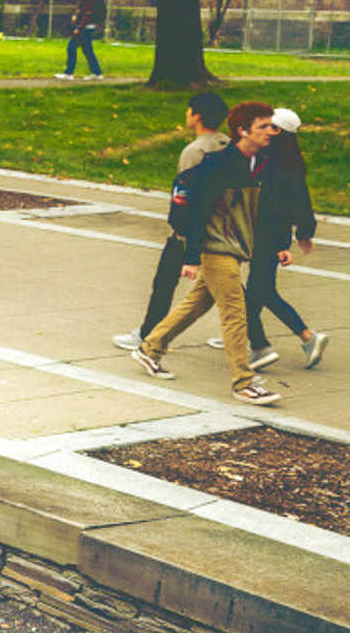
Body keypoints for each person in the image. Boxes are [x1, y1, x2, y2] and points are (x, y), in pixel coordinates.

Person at [131, 101, 284, 405]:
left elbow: (265, 209)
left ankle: (150, 348)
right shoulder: (220, 165)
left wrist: (280, 242)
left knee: (198, 302)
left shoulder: (259, 162)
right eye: (264, 126)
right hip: (215, 247)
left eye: (272, 125)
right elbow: (197, 212)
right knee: (234, 311)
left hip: (235, 246)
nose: (271, 131)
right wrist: (190, 257)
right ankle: (243, 383)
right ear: (243, 131)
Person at [113, 92, 228, 352]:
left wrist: (178, 229)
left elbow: (184, 195)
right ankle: (249, 334)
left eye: (189, 110)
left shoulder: (195, 151)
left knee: (164, 282)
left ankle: (148, 333)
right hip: (221, 228)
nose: (186, 115)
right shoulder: (228, 145)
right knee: (226, 284)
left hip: (188, 231)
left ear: (197, 116)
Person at [227, 108, 326, 370]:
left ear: (277, 130)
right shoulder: (292, 160)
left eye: (268, 126)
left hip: (262, 234)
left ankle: (281, 342)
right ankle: (258, 339)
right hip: (273, 235)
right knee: (261, 291)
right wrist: (303, 232)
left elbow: (267, 203)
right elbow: (302, 198)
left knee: (257, 294)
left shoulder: (267, 161)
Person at [57, 0, 106, 79]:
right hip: (90, 26)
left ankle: (69, 73)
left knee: (71, 48)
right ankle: (97, 72)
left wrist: (78, 27)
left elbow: (87, 13)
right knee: (87, 50)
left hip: (85, 27)